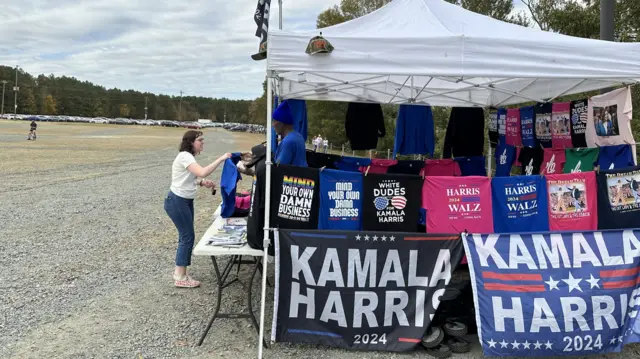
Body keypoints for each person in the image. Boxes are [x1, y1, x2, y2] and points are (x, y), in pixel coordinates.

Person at [164, 130, 231, 288]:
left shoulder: (189, 157)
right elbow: (201, 171)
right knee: (187, 236)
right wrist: (221, 158)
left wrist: (201, 183)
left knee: (186, 236)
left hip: (184, 200)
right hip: (177, 201)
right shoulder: (185, 156)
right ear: (191, 142)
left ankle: (180, 272)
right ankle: (180, 276)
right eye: (200, 140)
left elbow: (189, 177)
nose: (203, 143)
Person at [272, 100, 308, 166]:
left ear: (281, 123)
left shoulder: (288, 141)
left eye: (274, 121)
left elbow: (278, 167)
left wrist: (252, 172)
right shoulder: (298, 136)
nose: (273, 125)